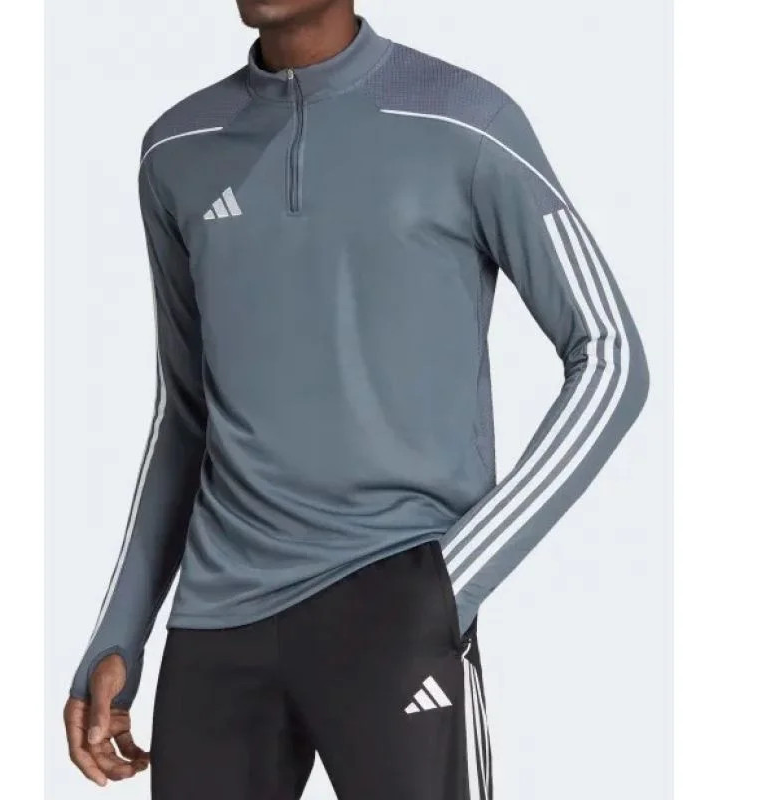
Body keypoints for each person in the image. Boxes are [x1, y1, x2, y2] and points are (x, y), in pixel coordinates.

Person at [63, 1, 649, 797]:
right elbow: (186, 410)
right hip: (218, 622)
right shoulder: (178, 147)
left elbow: (611, 354)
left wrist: (452, 580)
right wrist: (120, 629)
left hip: (393, 602)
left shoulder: (464, 120)